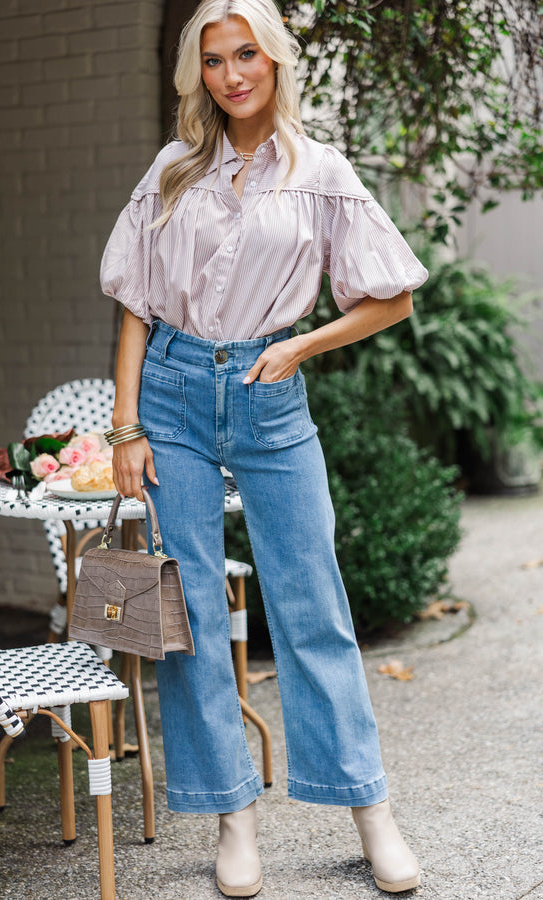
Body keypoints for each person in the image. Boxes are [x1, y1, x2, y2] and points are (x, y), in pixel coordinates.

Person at [100, 0, 428, 894]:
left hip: (271, 393)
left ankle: (371, 812)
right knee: (192, 615)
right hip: (170, 396)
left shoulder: (318, 170)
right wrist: (127, 424)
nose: (231, 74)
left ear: (275, 59)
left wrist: (300, 344)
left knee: (311, 598)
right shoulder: (174, 169)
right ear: (196, 72)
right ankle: (232, 820)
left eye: (246, 54)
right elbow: (135, 301)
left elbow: (390, 296)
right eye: (213, 60)